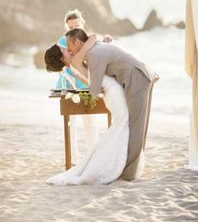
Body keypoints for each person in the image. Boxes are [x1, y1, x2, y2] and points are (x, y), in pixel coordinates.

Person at [64, 28, 159, 181]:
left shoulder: (93, 55)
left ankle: (129, 174)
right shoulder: (95, 48)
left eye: (69, 45)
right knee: (137, 124)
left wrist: (75, 65)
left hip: (138, 77)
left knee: (136, 125)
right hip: (140, 75)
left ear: (77, 42)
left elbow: (95, 90)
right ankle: (130, 169)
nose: (68, 49)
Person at [45, 35, 129, 185]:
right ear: (61, 56)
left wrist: (96, 86)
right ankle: (115, 164)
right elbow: (93, 38)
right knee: (121, 124)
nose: (65, 48)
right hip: (111, 90)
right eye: (62, 49)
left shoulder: (73, 62)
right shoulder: (75, 60)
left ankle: (116, 161)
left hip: (109, 89)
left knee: (119, 125)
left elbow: (87, 78)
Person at [55, 10, 100, 165]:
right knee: (70, 123)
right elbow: (63, 62)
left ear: (82, 23)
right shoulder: (62, 40)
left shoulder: (87, 39)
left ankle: (95, 155)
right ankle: (73, 159)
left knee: (90, 120)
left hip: (86, 84)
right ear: (66, 27)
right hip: (68, 84)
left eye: (77, 25)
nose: (73, 29)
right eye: (70, 27)